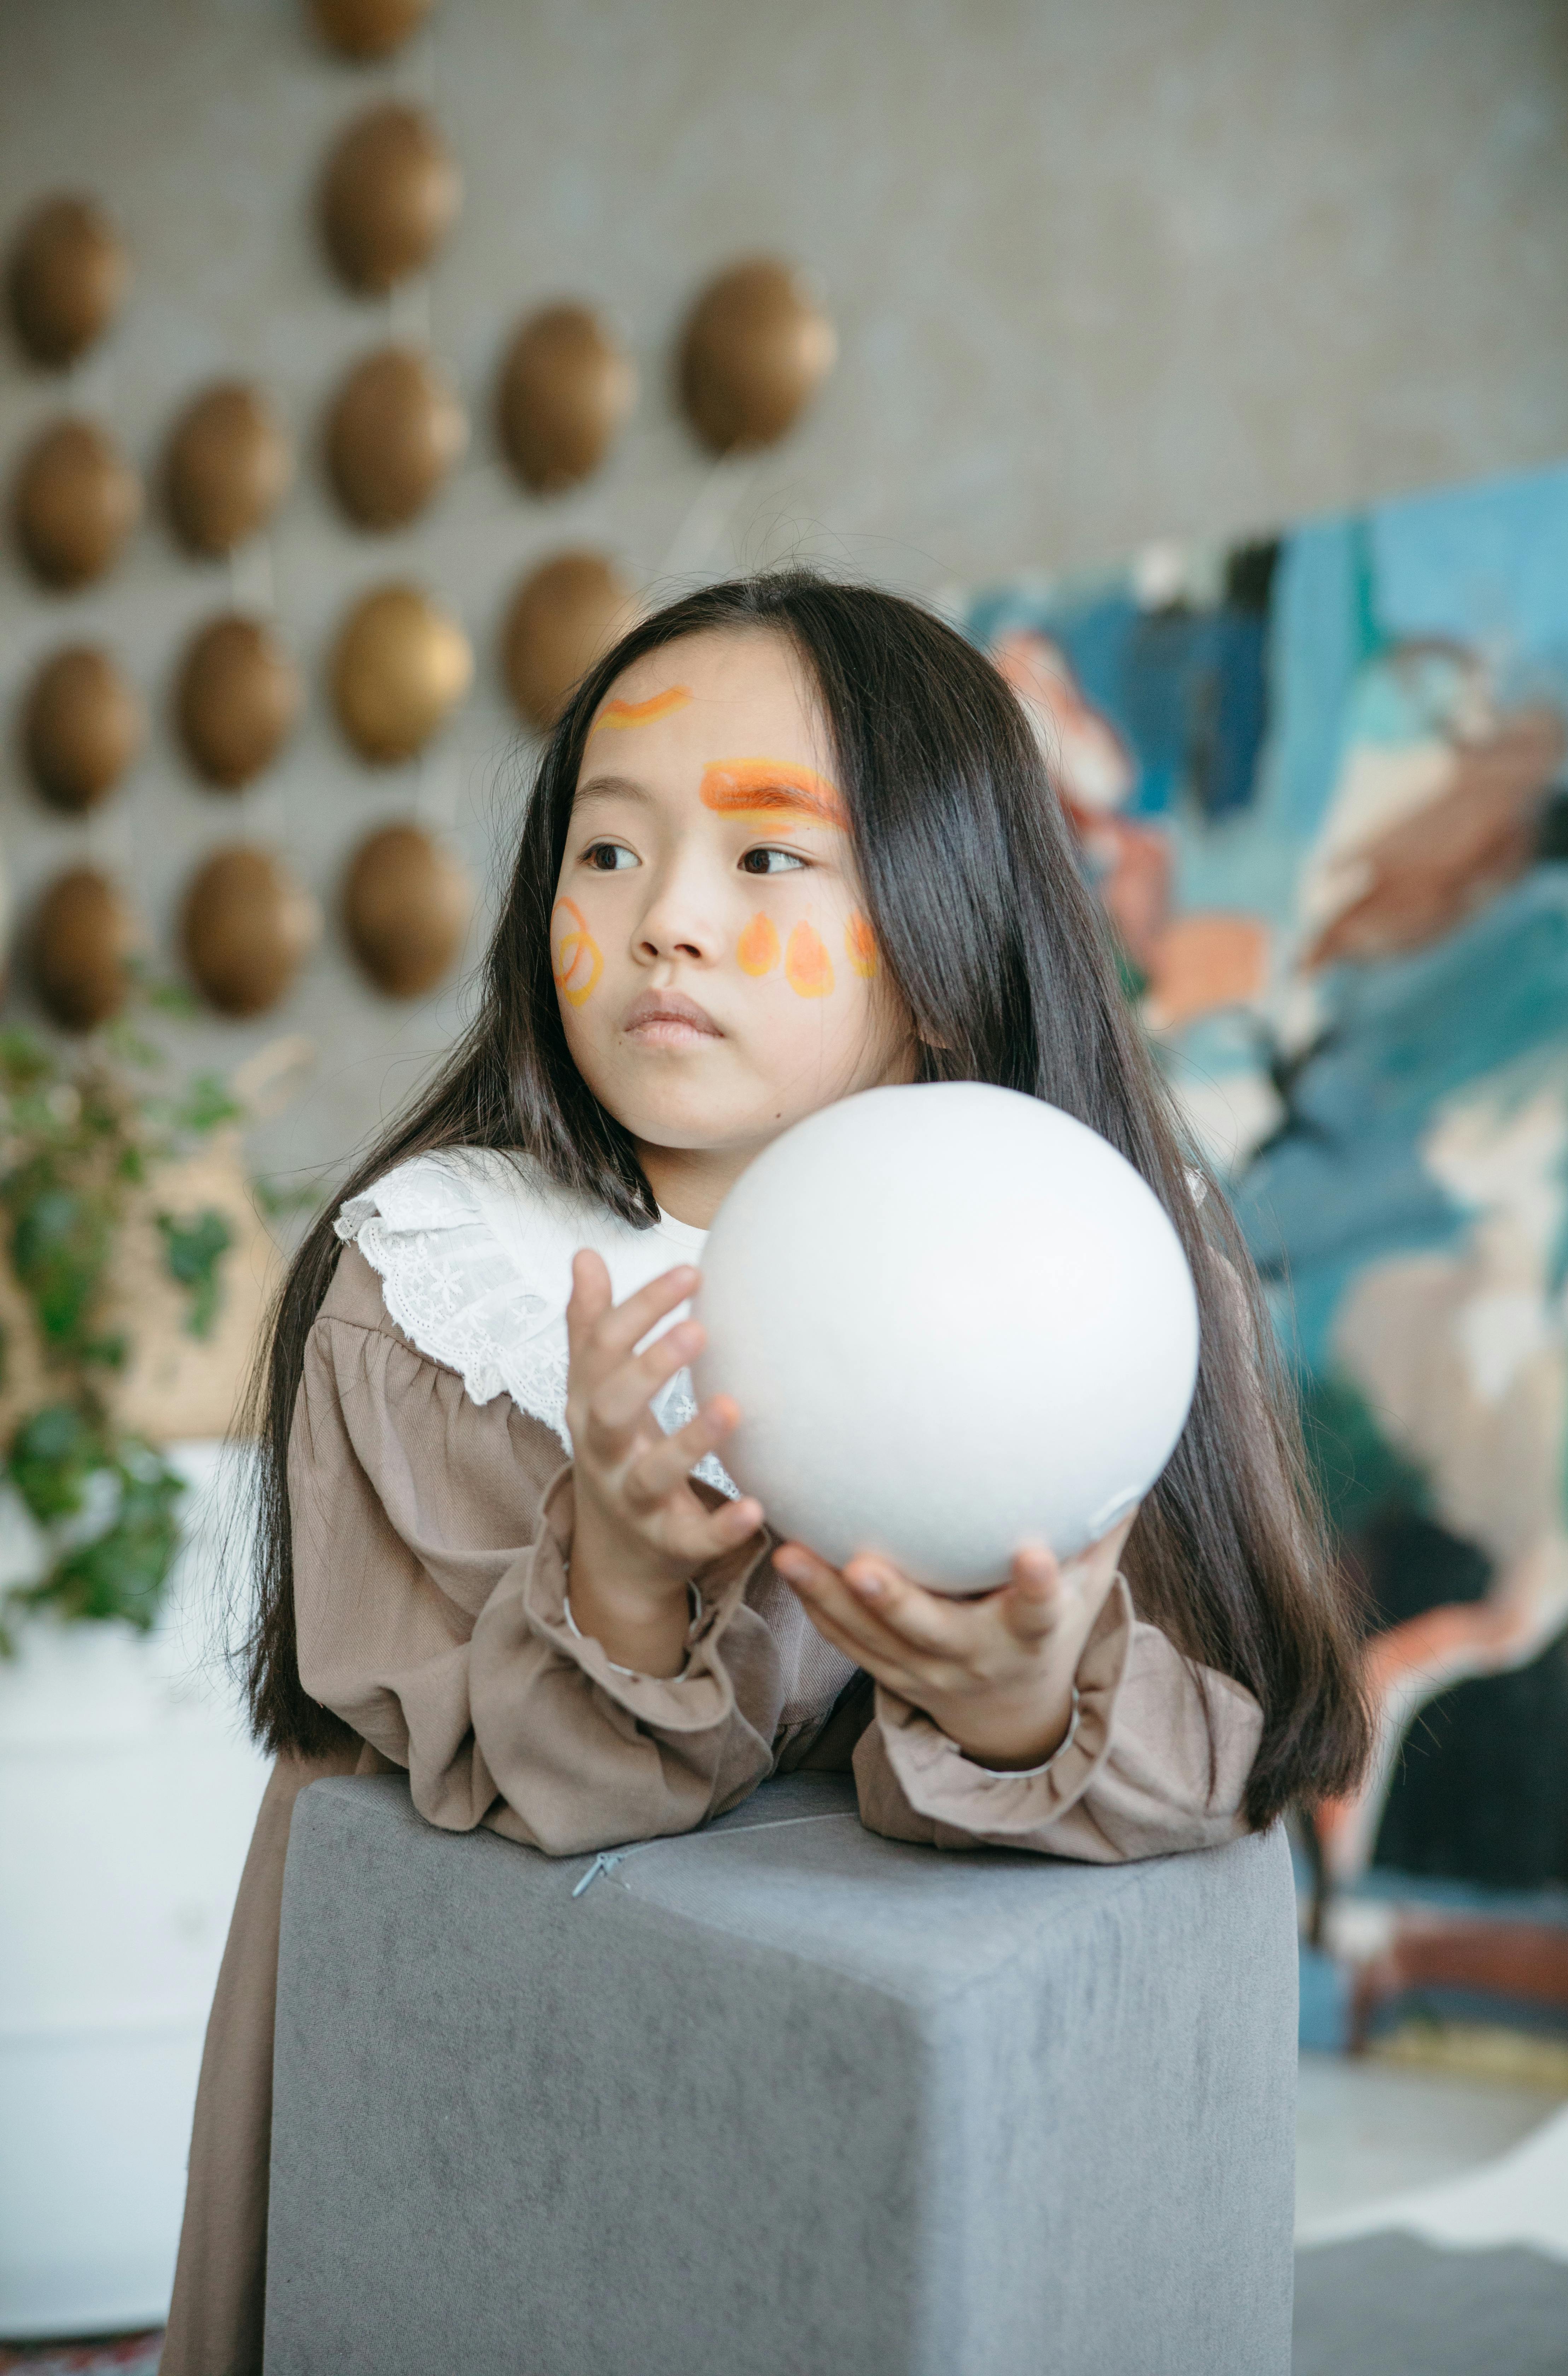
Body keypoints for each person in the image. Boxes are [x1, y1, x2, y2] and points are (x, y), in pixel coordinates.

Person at [161, 572, 1369, 2374]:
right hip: (479, 2080)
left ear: (952, 935)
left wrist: (1036, 1706)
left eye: (766, 862)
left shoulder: (1086, 1266)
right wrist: (623, 1581)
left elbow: (1234, 1717)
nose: (665, 925)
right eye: (607, 853)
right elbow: (504, 1790)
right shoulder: (448, 1282)